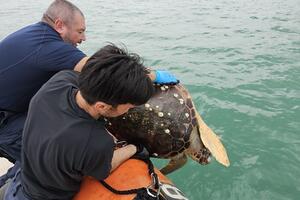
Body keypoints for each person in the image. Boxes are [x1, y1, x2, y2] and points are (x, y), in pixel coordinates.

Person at [0, 44, 160, 200]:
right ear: (102, 106)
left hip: (22, 174)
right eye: (130, 107)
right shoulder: (94, 141)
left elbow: (97, 74)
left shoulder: (58, 82)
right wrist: (135, 147)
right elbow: (105, 168)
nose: (130, 110)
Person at [0, 0, 88, 165]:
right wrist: (151, 75)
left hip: (11, 111)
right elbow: (102, 69)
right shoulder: (48, 46)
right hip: (6, 123)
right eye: (80, 31)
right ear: (60, 25)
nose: (84, 38)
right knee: (54, 159)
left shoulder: (34, 34)